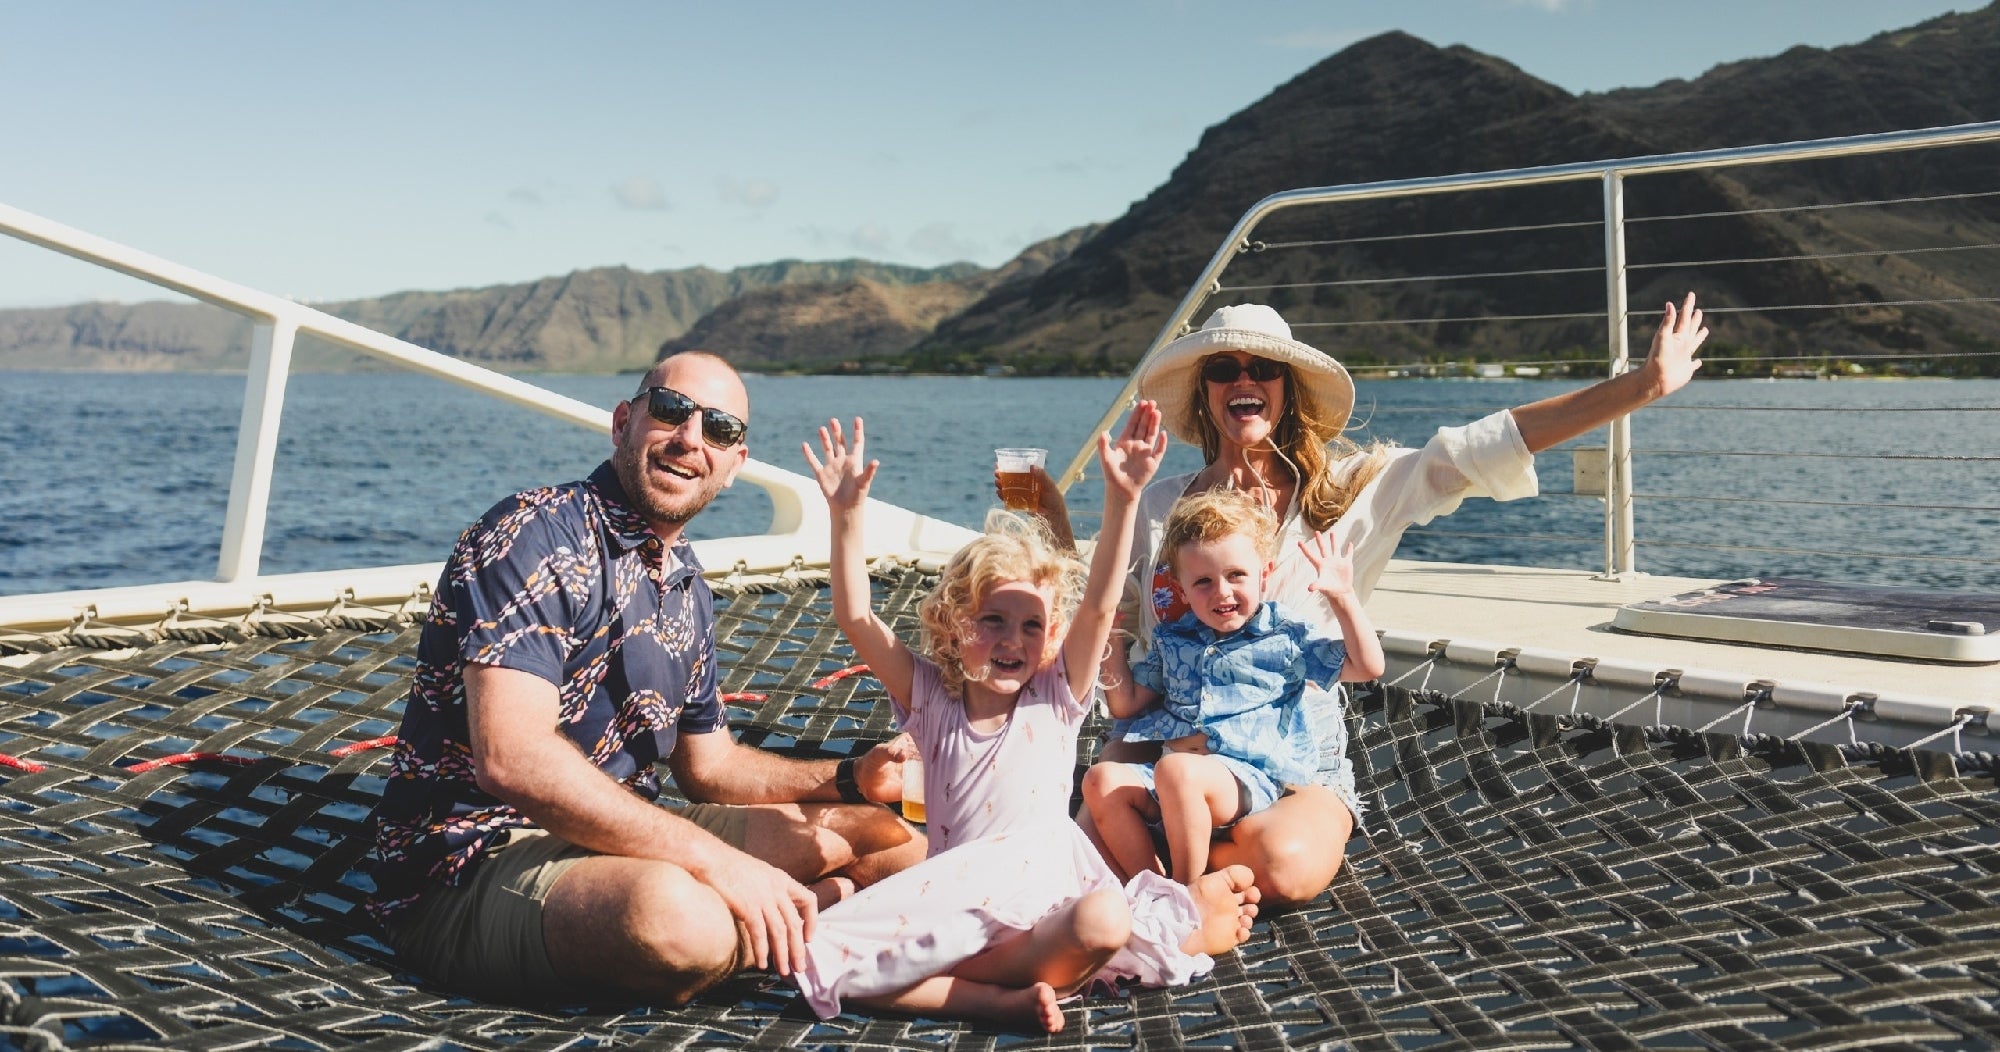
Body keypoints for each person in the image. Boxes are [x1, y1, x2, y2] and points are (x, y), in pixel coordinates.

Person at [1029, 294, 1709, 907]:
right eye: (1222, 368)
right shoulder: (1158, 502)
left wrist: (1640, 387)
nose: (1243, 379)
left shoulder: (1353, 494)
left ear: (1286, 390)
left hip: (1289, 755)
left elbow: (1480, 448)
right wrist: (1057, 527)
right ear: (1205, 392)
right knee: (1074, 862)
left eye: (1261, 368)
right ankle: (1199, 875)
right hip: (1171, 750)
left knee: (1286, 867)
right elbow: (1110, 618)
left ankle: (1182, 873)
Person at [365, 352, 926, 1007]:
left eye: (717, 428)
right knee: (676, 920)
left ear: (734, 463)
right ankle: (829, 913)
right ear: (624, 422)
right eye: (670, 411)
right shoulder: (533, 536)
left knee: (878, 831)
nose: (690, 438)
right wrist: (717, 862)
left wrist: (852, 777)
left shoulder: (685, 584)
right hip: (472, 865)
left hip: (621, 836)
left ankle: (841, 918)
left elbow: (709, 768)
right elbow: (510, 759)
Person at [790, 407, 1259, 1033]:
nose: (1014, 639)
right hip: (956, 912)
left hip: (1041, 911)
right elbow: (855, 617)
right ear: (955, 627)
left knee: (1104, 920)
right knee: (807, 952)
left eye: (1032, 625)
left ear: (1050, 639)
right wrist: (846, 514)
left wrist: (1124, 500)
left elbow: (1098, 605)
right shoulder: (931, 699)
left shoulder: (1056, 696)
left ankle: (971, 981)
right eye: (994, 621)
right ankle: (986, 999)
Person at [1083, 488, 1386, 886]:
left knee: (1177, 770)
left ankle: (1187, 892)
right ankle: (1152, 887)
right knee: (1100, 781)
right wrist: (1109, 635)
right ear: (1181, 588)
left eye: (1236, 576)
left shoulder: (1282, 637)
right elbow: (1126, 705)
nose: (1222, 592)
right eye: (1203, 581)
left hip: (1246, 780)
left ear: (1264, 573)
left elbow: (1367, 667)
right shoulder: (1174, 639)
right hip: (1173, 786)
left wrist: (1343, 598)